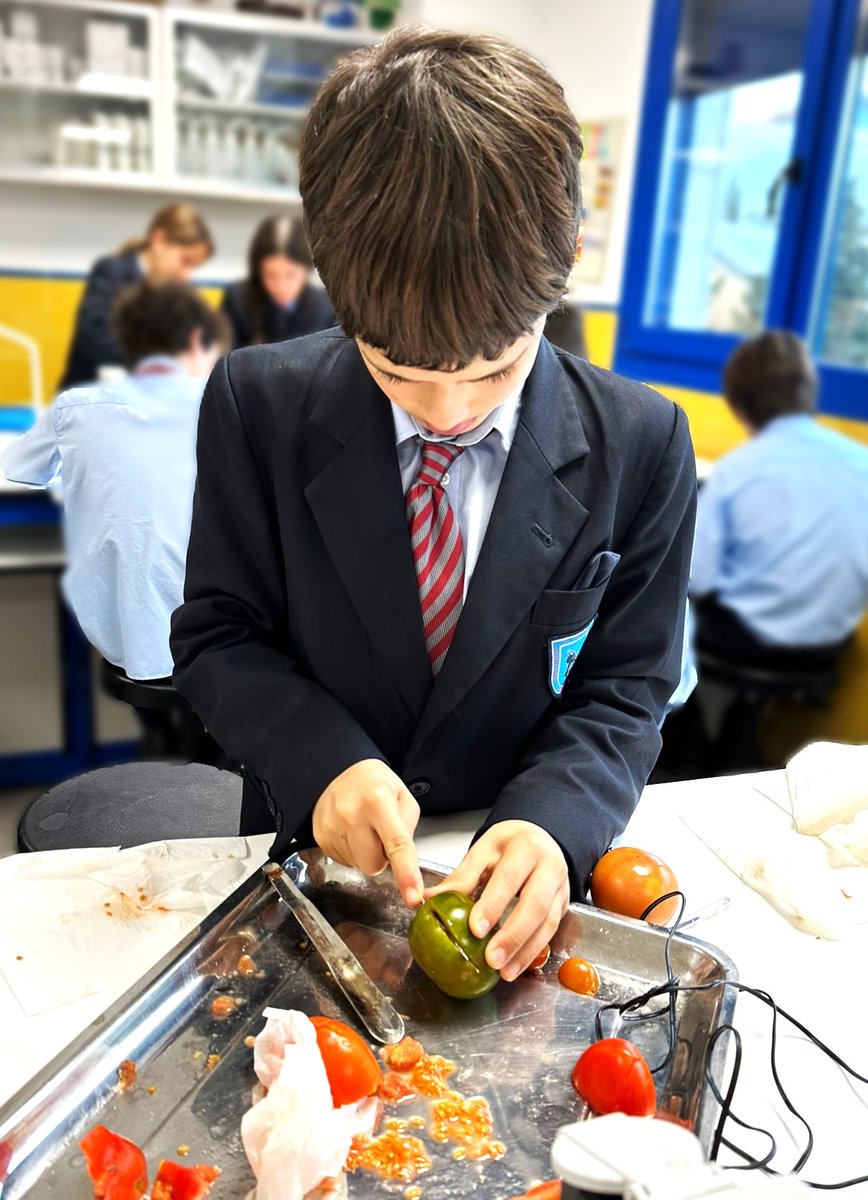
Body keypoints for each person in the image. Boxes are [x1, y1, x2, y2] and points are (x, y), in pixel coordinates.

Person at [170, 28, 696, 983]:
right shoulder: (258, 405)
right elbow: (219, 634)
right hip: (311, 864)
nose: (449, 413)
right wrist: (324, 762)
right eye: (396, 372)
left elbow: (626, 684)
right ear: (329, 274)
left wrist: (554, 821)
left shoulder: (644, 442)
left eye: (496, 370)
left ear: (571, 257)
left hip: (516, 888)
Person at [2, 280, 226, 696]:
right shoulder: (223, 406)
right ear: (198, 340)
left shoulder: (76, 408)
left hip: (117, 638)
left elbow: (17, 468)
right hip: (217, 641)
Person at [691, 330, 868, 668]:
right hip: (830, 644)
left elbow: (698, 578)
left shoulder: (736, 471)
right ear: (809, 389)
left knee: (664, 616)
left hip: (747, 640)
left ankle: (680, 706)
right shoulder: (862, 462)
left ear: (738, 405)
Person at [59, 204, 214, 391]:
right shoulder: (112, 272)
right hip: (89, 393)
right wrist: (155, 362)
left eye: (194, 267)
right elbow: (92, 333)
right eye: (185, 261)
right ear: (159, 240)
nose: (187, 275)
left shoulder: (177, 291)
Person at [220, 214, 335, 348]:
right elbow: (225, 354)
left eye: (290, 275)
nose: (281, 286)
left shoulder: (327, 308)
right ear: (258, 269)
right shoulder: (237, 300)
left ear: (307, 268)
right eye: (270, 275)